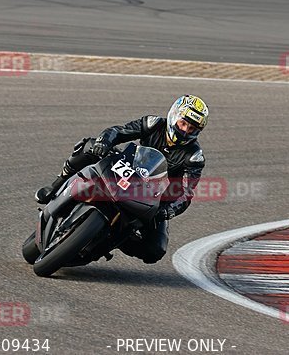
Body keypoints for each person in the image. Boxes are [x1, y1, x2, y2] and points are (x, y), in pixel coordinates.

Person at [36, 95, 209, 263]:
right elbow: (119, 131)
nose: (185, 130)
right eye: (183, 123)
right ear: (174, 116)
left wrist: (169, 210)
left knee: (155, 250)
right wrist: (105, 141)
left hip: (153, 196)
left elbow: (185, 193)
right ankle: (56, 184)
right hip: (126, 167)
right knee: (89, 146)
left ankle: (111, 240)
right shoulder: (153, 124)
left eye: (192, 128)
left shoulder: (194, 157)